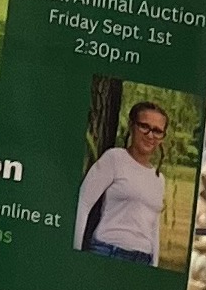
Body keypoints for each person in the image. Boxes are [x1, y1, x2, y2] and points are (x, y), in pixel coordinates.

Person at [75, 98, 176, 263]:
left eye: (157, 131)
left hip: (143, 259)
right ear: (132, 126)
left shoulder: (159, 179)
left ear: (162, 137)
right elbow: (83, 203)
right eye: (144, 126)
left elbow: (153, 227)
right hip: (108, 251)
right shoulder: (114, 158)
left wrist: (154, 265)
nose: (150, 135)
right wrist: (75, 254)